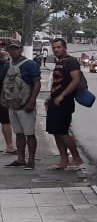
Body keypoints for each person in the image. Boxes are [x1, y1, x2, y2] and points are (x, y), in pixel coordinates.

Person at [45, 38, 84, 170]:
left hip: (64, 102)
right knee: (55, 131)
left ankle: (77, 158)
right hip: (54, 102)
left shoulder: (71, 61)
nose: (56, 50)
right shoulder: (59, 62)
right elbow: (58, 83)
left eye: (59, 47)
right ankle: (63, 160)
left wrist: (62, 95)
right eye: (54, 48)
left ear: (65, 48)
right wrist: (51, 96)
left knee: (63, 131)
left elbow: (75, 80)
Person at [2, 41, 41, 170]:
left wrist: (32, 101)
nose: (13, 51)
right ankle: (20, 159)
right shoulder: (8, 64)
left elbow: (37, 83)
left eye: (16, 48)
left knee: (29, 133)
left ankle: (31, 160)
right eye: (11, 49)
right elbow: (5, 83)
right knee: (18, 133)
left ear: (21, 49)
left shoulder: (31, 64)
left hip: (25, 105)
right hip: (12, 105)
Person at [0, 49, 16, 155]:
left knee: (5, 121)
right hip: (3, 96)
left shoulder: (6, 64)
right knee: (5, 121)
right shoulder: (6, 65)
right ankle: (10, 146)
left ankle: (10, 146)